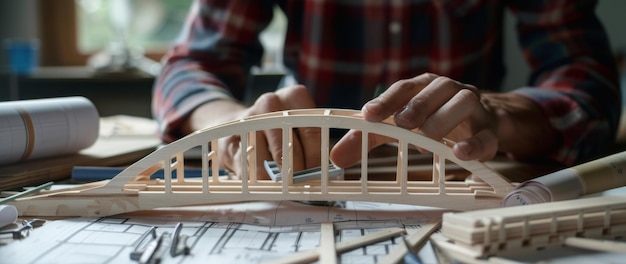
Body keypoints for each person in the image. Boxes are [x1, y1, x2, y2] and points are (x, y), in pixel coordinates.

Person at [152, 0, 621, 179]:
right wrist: (228, 124)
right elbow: (193, 64)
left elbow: (586, 83)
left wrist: (501, 116)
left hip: (461, 165)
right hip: (295, 163)